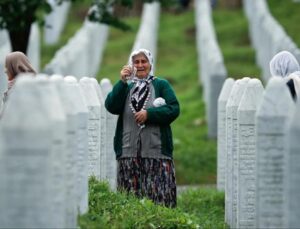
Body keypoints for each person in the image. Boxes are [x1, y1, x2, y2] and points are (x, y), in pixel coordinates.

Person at [105, 48, 180, 208]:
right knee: (130, 201)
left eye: (143, 61)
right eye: (136, 62)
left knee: (160, 200)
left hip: (157, 154)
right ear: (131, 65)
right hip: (128, 153)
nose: (140, 65)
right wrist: (122, 82)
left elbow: (174, 109)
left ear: (150, 64)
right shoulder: (126, 87)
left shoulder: (161, 85)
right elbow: (111, 106)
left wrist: (150, 114)